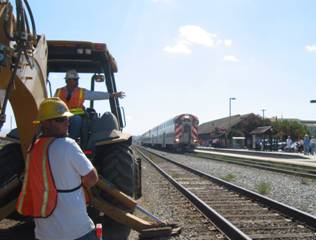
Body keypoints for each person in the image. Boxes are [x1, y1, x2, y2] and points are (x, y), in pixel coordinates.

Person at [16, 97, 99, 240]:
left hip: (44, 234)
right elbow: (92, 178)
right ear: (46, 123)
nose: (67, 122)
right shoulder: (68, 144)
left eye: (67, 118)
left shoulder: (33, 148)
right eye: (60, 119)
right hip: (77, 231)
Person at [55, 69, 125, 139]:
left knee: (78, 120)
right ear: (68, 80)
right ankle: (64, 140)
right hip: (62, 117)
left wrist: (111, 95)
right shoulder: (59, 92)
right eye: (75, 80)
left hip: (77, 117)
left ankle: (72, 140)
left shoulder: (81, 92)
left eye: (77, 80)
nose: (77, 82)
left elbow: (95, 95)